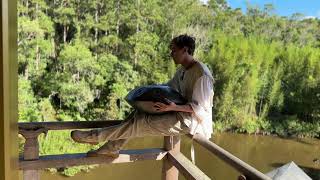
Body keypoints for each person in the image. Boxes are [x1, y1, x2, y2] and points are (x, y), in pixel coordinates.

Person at [71, 34, 214, 157]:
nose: (171, 54)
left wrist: (173, 107)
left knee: (141, 123)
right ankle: (111, 148)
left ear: (185, 50)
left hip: (191, 121)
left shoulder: (202, 74)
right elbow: (169, 86)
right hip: (177, 111)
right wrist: (148, 91)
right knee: (138, 114)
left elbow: (201, 109)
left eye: (174, 50)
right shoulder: (183, 70)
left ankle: (94, 136)